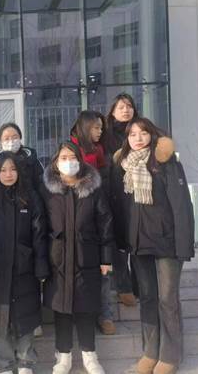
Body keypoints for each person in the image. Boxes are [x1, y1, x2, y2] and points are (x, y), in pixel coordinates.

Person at [112, 118, 194, 374]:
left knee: (167, 299)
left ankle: (170, 355)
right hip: (139, 243)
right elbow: (121, 207)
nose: (137, 138)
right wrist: (123, 241)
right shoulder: (123, 166)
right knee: (147, 298)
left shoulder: (165, 162)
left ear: (152, 134)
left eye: (143, 133)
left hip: (167, 242)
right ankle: (150, 352)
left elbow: (181, 205)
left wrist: (184, 244)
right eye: (132, 134)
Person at [0, 152, 49, 374]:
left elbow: (39, 233)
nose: (8, 174)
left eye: (13, 169)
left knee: (26, 316)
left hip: (25, 269)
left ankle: (26, 362)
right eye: (3, 170)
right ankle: (4, 364)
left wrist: (41, 265)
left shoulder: (30, 197)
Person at [41, 141, 113, 374]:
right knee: (61, 309)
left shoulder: (93, 189)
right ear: (55, 162)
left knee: (86, 308)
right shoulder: (48, 191)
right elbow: (39, 227)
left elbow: (105, 223)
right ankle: (63, 356)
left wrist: (106, 258)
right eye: (63, 158)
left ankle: (90, 355)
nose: (68, 162)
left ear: (80, 161)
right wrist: (42, 261)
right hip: (58, 260)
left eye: (72, 157)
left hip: (87, 258)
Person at [69, 110, 116, 336]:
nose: (99, 132)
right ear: (86, 127)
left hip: (96, 208)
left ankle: (105, 314)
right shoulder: (70, 148)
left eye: (101, 128)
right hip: (74, 213)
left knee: (103, 271)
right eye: (96, 127)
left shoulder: (97, 149)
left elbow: (103, 177)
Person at [104, 93, 140, 307]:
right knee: (118, 245)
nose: (126, 110)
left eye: (129, 106)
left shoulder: (141, 132)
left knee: (138, 242)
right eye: (121, 107)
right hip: (115, 194)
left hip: (138, 195)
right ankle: (123, 287)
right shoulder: (106, 136)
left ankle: (139, 286)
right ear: (112, 112)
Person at [0, 122, 43, 190]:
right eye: (6, 138)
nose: (11, 141)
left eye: (15, 137)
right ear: (0, 141)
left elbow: (41, 185)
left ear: (20, 138)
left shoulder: (32, 159)